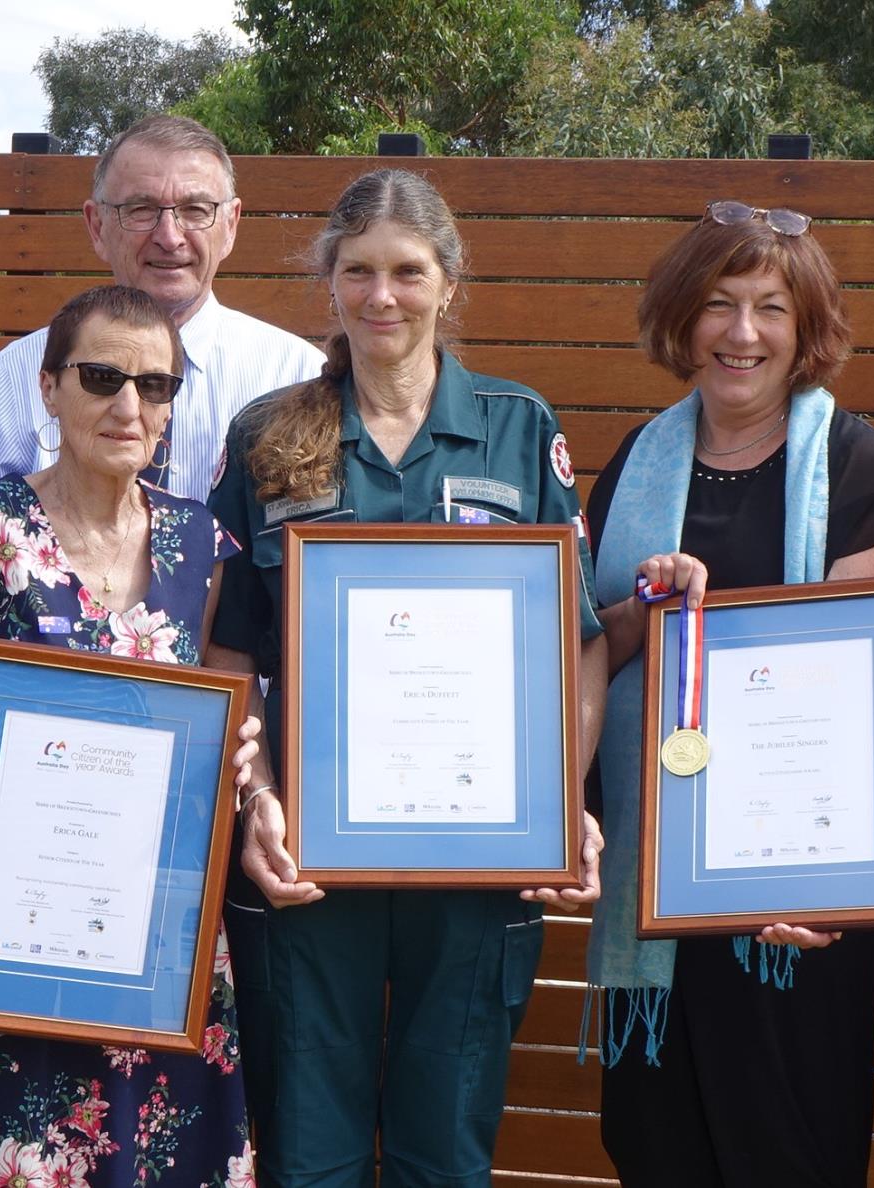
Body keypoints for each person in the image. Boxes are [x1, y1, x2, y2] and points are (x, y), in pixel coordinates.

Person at [204, 167, 608, 1188]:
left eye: (406, 271)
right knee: (308, 1151)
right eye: (358, 272)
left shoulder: (520, 428)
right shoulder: (266, 435)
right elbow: (229, 658)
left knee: (445, 1149)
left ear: (448, 279)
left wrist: (559, 802)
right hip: (308, 856)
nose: (381, 296)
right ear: (329, 283)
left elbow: (581, 642)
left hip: (477, 860)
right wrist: (253, 799)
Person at [0, 285, 262, 1188]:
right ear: (49, 389)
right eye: (102, 378)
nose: (130, 406)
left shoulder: (203, 543)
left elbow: (227, 726)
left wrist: (250, 770)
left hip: (155, 934)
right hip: (0, 921)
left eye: (157, 386)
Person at [585, 201, 874, 1188]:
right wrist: (647, 610)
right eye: (719, 305)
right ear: (681, 318)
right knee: (658, 1148)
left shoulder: (855, 464)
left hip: (791, 895)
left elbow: (865, 686)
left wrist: (834, 883)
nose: (741, 333)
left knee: (785, 1150)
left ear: (805, 328)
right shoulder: (635, 466)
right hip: (660, 888)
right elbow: (600, 651)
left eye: (770, 308)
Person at [0, 114, 324, 501]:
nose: (169, 237)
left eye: (196, 210)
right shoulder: (18, 375)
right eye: (141, 210)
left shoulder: (295, 377)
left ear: (230, 225)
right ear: (97, 227)